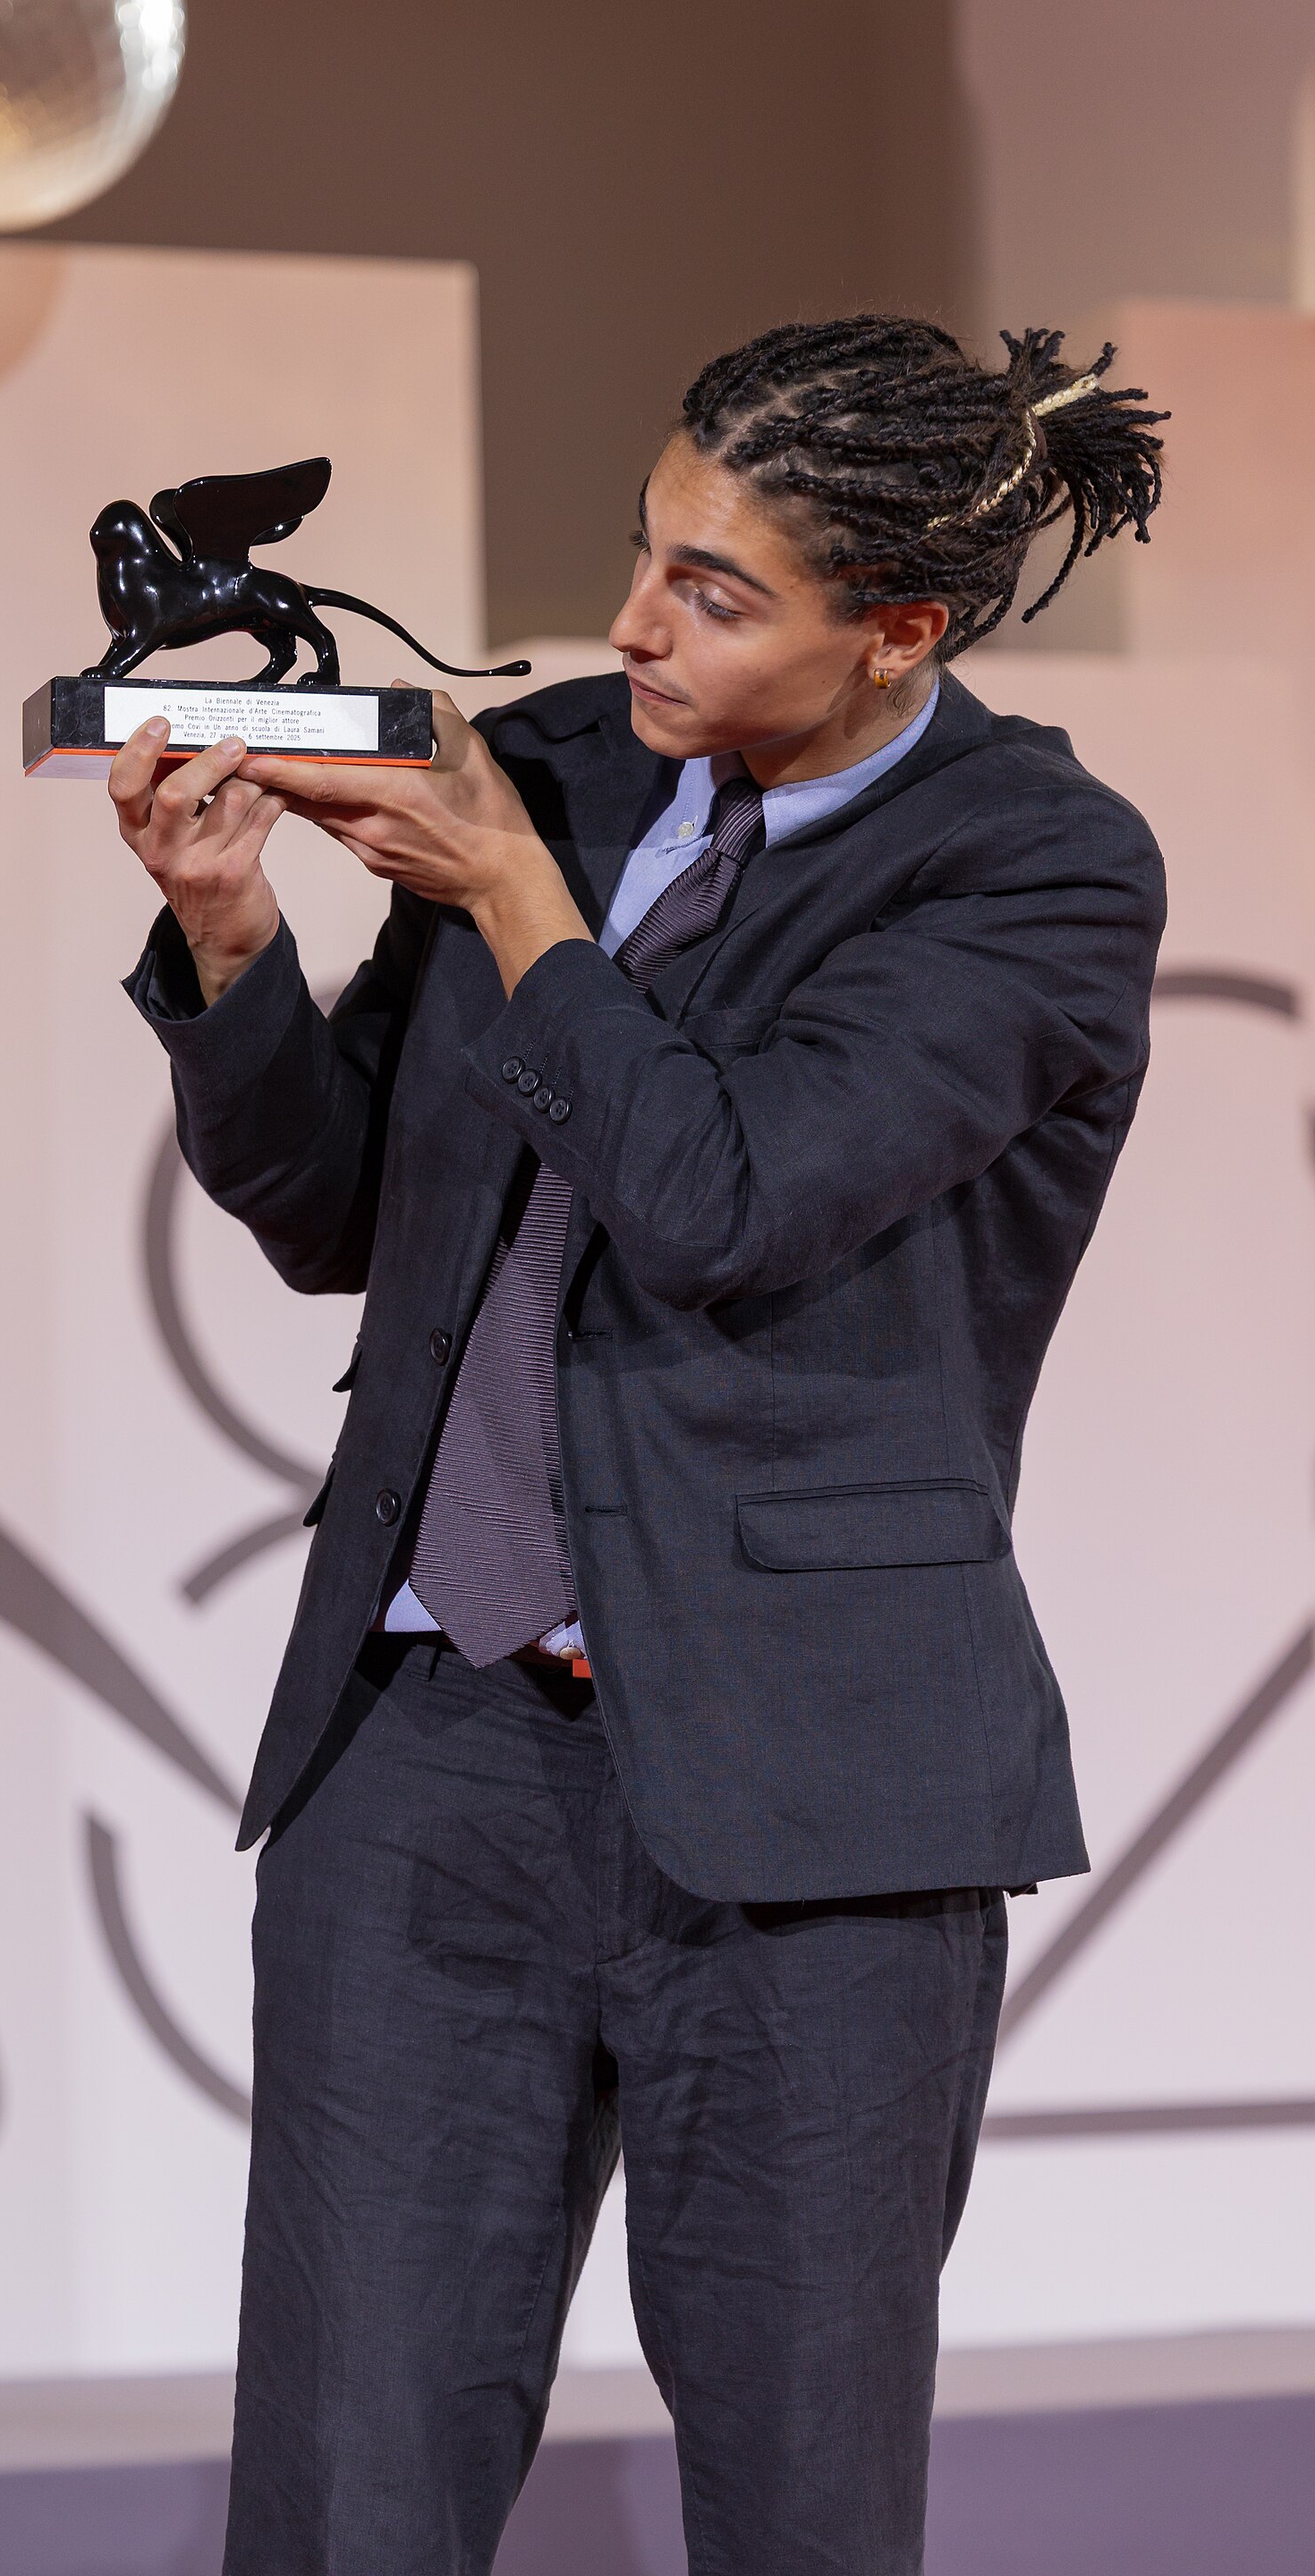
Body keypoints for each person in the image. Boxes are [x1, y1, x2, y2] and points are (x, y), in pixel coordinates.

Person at [110, 317, 1168, 2576]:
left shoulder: (1037, 870)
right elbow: (338, 1212)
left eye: (715, 588)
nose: (629, 626)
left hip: (813, 1811)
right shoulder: (567, 764)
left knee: (798, 2500)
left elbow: (732, 1198)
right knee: (346, 2494)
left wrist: (514, 896)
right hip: (430, 1757)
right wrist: (227, 936)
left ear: (903, 628)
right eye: (642, 553)